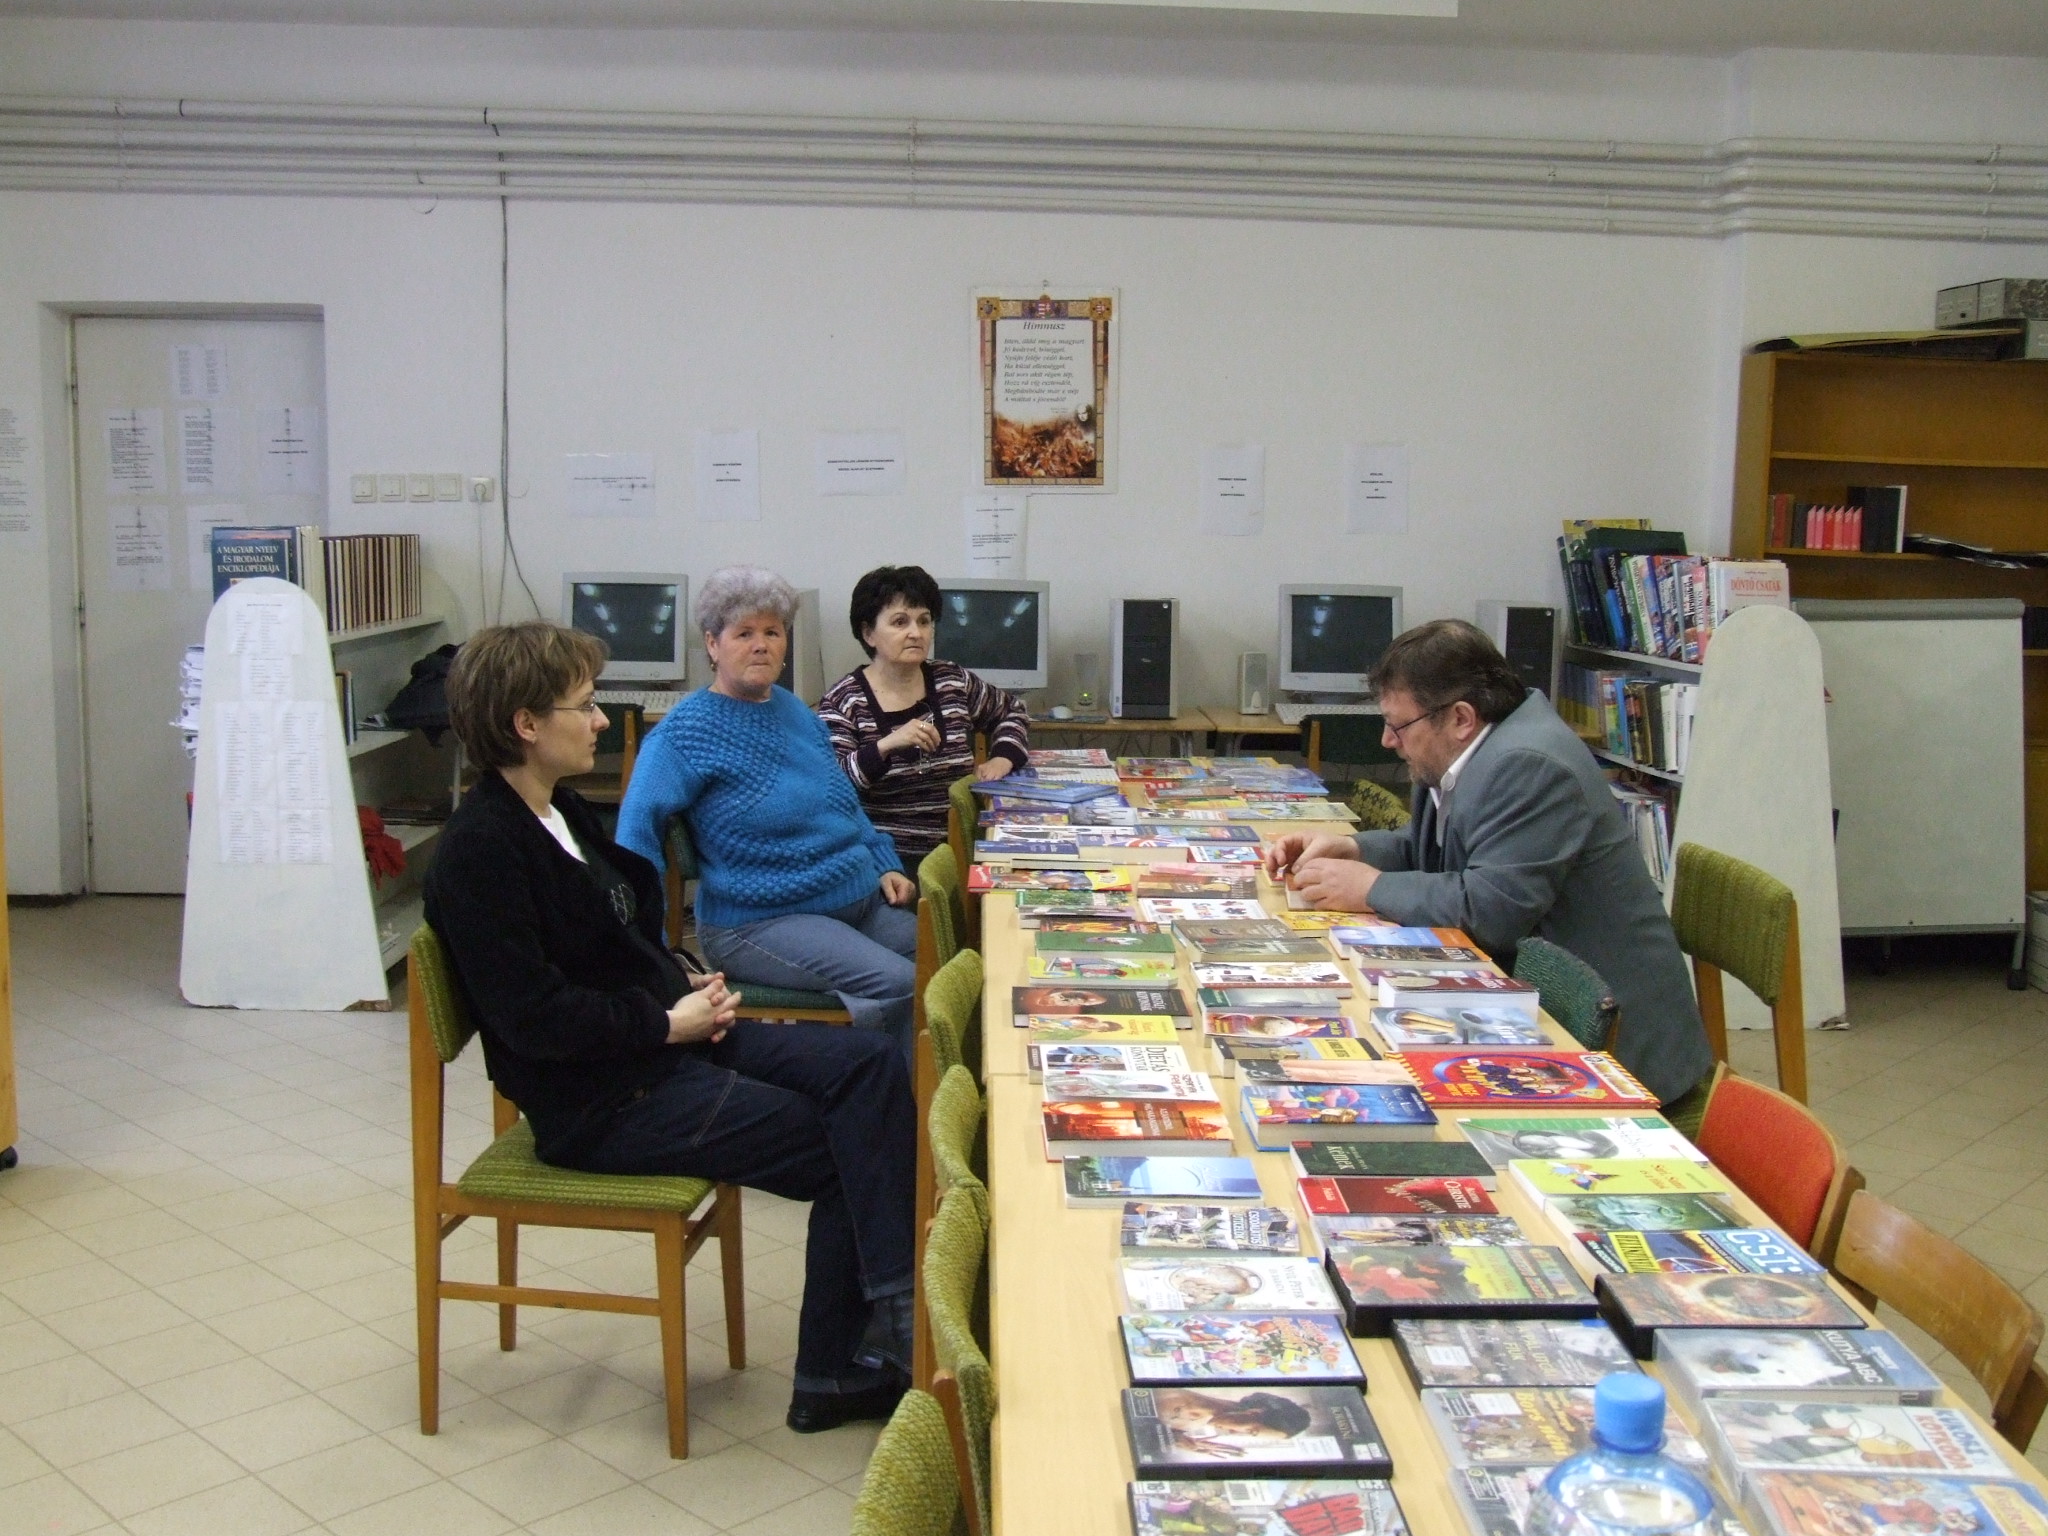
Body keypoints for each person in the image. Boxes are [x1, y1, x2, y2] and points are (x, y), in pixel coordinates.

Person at [423, 622, 916, 1433]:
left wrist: (680, 978)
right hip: (604, 1099)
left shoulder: (558, 811)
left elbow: (614, 940)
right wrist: (662, 1022)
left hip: (660, 1048)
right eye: (584, 706)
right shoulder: (480, 851)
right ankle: (839, 1368)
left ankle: (889, 1319)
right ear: (526, 724)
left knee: (870, 1067)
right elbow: (535, 1017)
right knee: (845, 1144)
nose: (599, 721)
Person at [1262, 619, 1712, 1109]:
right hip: (1537, 1007)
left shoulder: (1530, 765)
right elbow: (1432, 850)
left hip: (1615, 1051)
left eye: (1397, 725)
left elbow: (1490, 910)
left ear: (1460, 718)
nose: (1387, 740)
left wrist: (1370, 887)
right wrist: (1350, 849)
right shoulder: (1468, 749)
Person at [616, 566, 919, 1057]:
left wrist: (884, 861)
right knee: (900, 983)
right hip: (760, 922)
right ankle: (894, 1100)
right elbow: (635, 834)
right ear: (713, 644)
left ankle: (945, 1091)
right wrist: (648, 947)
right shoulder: (683, 735)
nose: (761, 645)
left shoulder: (795, 710)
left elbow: (841, 799)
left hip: (857, 899)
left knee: (951, 959)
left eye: (773, 632)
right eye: (744, 634)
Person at [815, 564, 1030, 869]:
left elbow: (1013, 711)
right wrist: (885, 746)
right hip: (885, 864)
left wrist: (1003, 757)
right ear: (868, 633)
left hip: (961, 852)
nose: (916, 633)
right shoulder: (843, 701)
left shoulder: (952, 680)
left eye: (924, 621)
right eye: (900, 622)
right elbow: (831, 787)